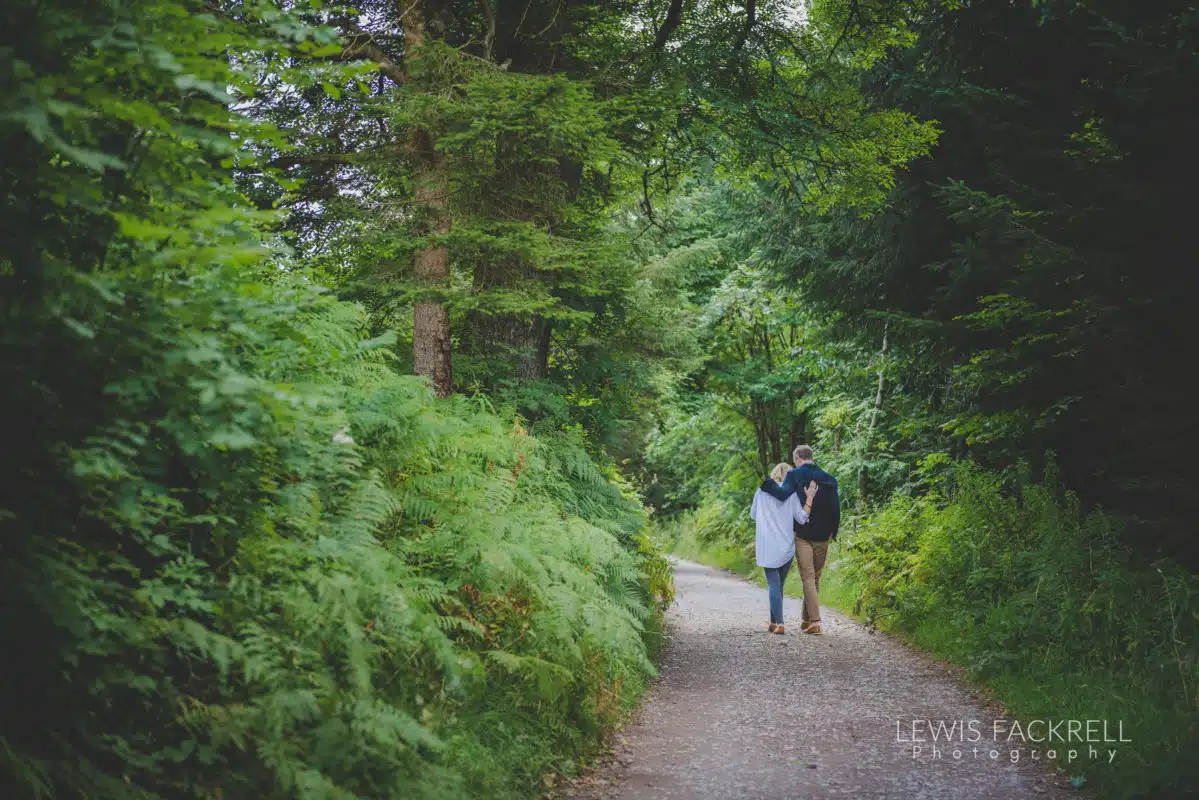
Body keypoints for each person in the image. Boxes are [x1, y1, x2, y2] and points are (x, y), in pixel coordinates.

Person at [757, 445, 840, 635]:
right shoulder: (830, 479)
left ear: (798, 459)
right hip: (823, 535)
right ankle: (807, 619)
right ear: (811, 457)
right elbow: (835, 509)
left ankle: (815, 621)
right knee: (815, 577)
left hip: (804, 535)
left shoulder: (794, 474)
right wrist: (833, 532)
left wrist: (767, 484)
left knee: (809, 578)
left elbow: (783, 494)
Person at [750, 462, 818, 635]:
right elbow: (802, 519)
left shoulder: (762, 492)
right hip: (786, 544)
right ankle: (773, 622)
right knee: (778, 584)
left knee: (773, 583)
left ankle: (779, 623)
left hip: (767, 543)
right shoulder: (793, 495)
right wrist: (809, 499)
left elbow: (753, 515)